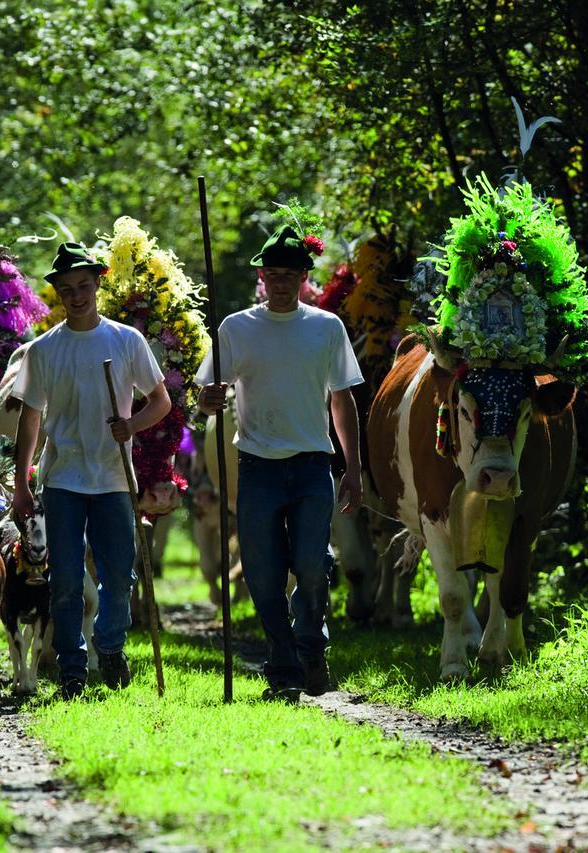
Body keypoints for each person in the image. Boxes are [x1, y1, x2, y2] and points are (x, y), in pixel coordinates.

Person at [197, 224, 363, 703]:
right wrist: (209, 399)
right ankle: (284, 666)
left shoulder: (326, 327)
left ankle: (311, 645)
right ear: (261, 277)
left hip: (313, 465)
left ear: (305, 276)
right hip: (257, 465)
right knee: (263, 574)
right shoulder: (236, 328)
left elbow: (342, 398)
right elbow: (209, 397)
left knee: (312, 566)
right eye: (272, 273)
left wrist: (352, 467)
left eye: (290, 273)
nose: (280, 282)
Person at [12, 241, 172, 699]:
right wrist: (22, 484)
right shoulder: (43, 350)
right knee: (63, 577)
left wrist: (131, 425)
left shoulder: (125, 340)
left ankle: (111, 647)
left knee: (118, 574)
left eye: (83, 286)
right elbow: (31, 418)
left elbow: (159, 401)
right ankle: (72, 667)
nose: (76, 295)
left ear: (98, 284)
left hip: (114, 478)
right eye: (66, 289)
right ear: (57, 293)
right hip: (62, 478)